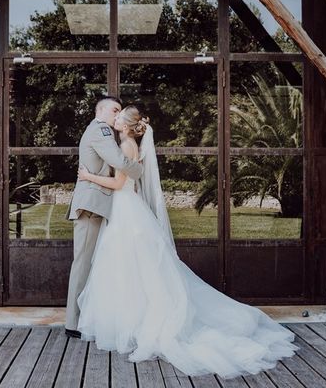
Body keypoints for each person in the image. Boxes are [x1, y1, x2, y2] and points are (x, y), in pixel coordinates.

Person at [76, 106, 298, 379]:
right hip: (125, 210)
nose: (117, 118)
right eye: (116, 113)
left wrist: (87, 177)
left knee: (131, 265)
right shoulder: (124, 142)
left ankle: (136, 323)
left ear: (128, 124)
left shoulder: (127, 145)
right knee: (129, 268)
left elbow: (120, 183)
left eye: (121, 116)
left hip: (126, 210)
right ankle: (130, 320)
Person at [65, 96, 143, 339]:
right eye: (115, 110)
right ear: (101, 110)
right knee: (83, 262)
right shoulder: (101, 130)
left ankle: (87, 318)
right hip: (91, 206)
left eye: (120, 111)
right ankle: (73, 322)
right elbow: (119, 161)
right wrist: (141, 170)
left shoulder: (102, 131)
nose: (117, 115)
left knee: (93, 263)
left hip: (98, 204)